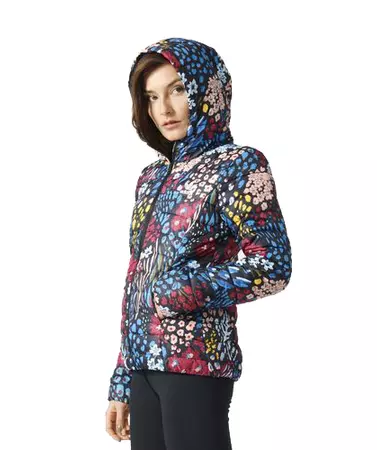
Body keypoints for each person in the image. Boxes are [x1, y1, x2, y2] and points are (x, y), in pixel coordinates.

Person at [105, 37, 293, 449]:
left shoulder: (239, 165)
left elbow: (273, 266)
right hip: (142, 367)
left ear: (208, 90)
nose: (164, 109)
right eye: (152, 97)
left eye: (177, 90)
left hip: (197, 362)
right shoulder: (151, 177)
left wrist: (181, 290)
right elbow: (138, 278)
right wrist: (121, 378)